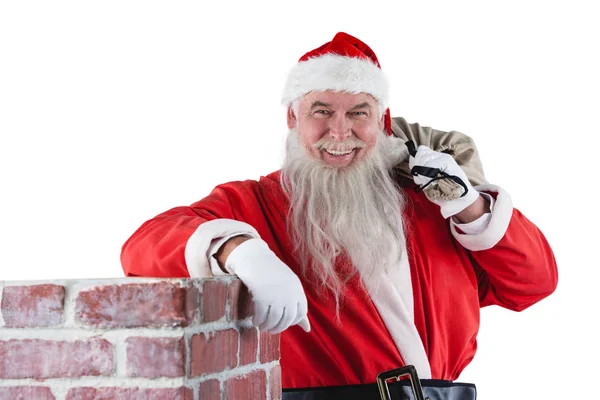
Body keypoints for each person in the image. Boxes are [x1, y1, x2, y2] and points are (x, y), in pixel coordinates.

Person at [121, 32, 557, 399]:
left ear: (383, 120)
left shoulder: (433, 204)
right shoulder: (257, 203)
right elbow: (142, 246)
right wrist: (241, 252)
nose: (339, 131)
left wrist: (469, 205)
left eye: (358, 113)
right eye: (322, 111)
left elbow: (532, 284)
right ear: (293, 117)